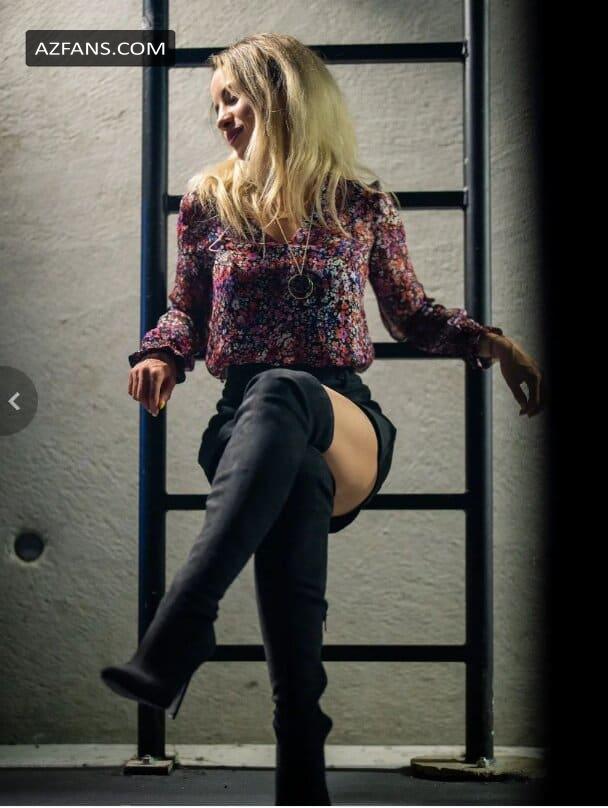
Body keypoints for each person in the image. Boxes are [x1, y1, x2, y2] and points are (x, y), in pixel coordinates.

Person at [101, 33, 544, 805]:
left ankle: (181, 626)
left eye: (234, 100)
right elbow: (186, 310)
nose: (222, 118)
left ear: (281, 98)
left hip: (344, 421)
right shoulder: (207, 204)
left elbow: (409, 314)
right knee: (286, 483)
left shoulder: (359, 202)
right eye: (216, 106)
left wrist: (492, 342)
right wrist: (162, 353)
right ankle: (301, 760)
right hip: (242, 429)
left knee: (286, 392)